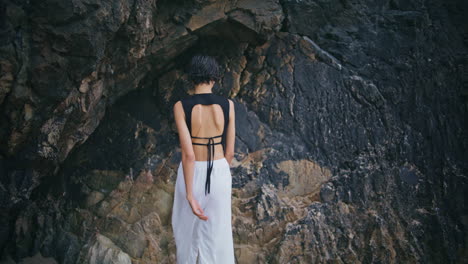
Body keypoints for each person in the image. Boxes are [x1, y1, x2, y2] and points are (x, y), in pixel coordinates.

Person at [171, 54, 236, 264]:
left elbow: (188, 155)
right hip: (219, 170)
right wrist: (220, 171)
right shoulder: (228, 105)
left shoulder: (181, 106)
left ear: (191, 77)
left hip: (192, 173)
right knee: (218, 235)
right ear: (215, 77)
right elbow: (230, 153)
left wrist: (190, 195)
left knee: (186, 234)